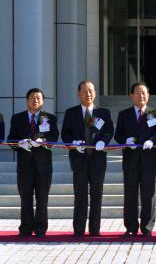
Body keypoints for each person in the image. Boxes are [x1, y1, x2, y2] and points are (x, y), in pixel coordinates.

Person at [61, 80, 114, 237]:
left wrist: (103, 141)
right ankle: (78, 229)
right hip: (79, 159)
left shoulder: (103, 112)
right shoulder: (71, 112)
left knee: (97, 194)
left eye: (91, 91)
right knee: (80, 194)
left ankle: (94, 229)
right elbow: (65, 133)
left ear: (95, 93)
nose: (88, 94)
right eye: (85, 91)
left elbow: (109, 130)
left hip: (98, 159)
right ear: (79, 94)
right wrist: (73, 143)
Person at [114, 82, 156, 237]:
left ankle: (147, 226)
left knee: (148, 194)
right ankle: (130, 227)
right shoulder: (124, 114)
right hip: (130, 159)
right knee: (130, 193)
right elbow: (118, 135)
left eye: (144, 93)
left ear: (148, 96)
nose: (141, 96)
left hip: (148, 160)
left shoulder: (154, 113)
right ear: (131, 96)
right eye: (138, 93)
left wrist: (152, 140)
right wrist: (126, 141)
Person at [8, 88, 59, 238]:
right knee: (26, 197)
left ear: (42, 101)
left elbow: (54, 136)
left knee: (42, 198)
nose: (35, 100)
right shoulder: (17, 118)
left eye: (38, 98)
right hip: (24, 165)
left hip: (43, 166)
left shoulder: (49, 118)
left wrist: (43, 141)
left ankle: (41, 229)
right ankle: (25, 228)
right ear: (27, 100)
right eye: (32, 97)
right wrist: (19, 143)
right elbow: (11, 139)